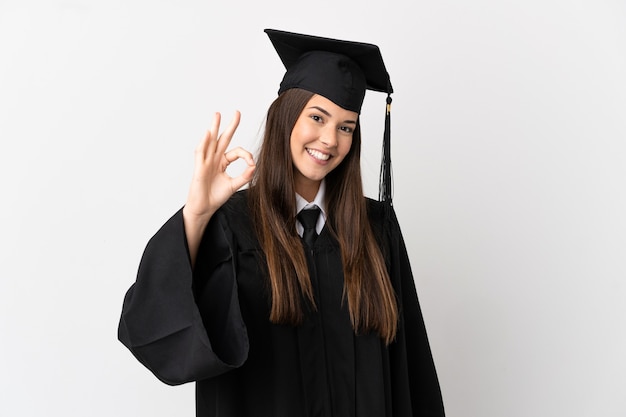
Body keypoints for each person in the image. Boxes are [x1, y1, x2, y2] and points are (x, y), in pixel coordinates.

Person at [118, 28, 445, 417]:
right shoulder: (233, 227)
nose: (330, 139)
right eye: (317, 117)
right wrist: (198, 214)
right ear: (287, 115)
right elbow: (152, 330)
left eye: (346, 126)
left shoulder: (376, 228)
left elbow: (409, 368)